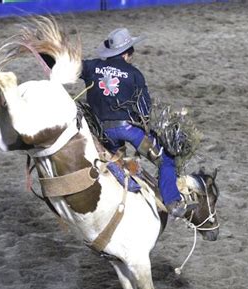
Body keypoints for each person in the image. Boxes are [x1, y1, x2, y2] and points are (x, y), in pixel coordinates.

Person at [80, 28, 190, 218]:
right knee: (165, 160)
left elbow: (64, 65)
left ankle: (123, 183)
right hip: (129, 130)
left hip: (103, 133)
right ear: (126, 53)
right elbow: (144, 109)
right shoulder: (134, 74)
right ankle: (172, 202)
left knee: (115, 159)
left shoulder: (91, 67)